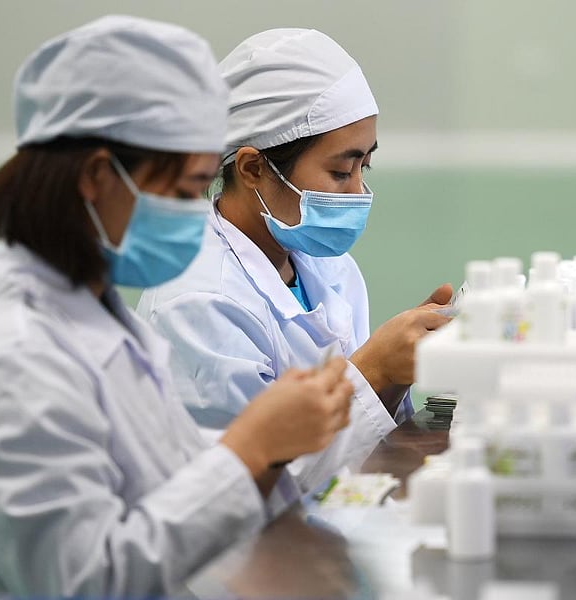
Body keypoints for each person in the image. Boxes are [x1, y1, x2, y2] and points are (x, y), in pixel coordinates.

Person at [0, 16, 354, 599]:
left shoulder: (90, 310)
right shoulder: (11, 363)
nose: (191, 216)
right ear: (98, 176)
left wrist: (269, 447)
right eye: (178, 193)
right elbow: (87, 583)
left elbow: (158, 484)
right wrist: (250, 448)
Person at [137, 28, 452, 492]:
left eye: (364, 167)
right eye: (341, 171)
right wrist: (373, 370)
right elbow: (247, 487)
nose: (359, 192)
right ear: (253, 169)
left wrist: (399, 370)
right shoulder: (197, 305)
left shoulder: (325, 265)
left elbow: (355, 444)